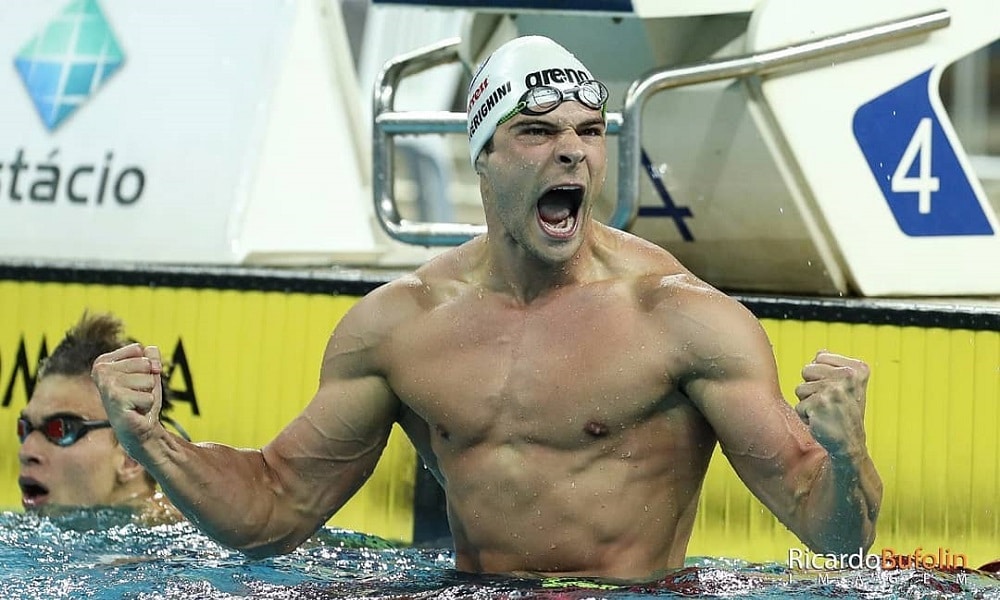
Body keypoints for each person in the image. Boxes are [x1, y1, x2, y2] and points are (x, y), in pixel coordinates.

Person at [91, 35, 881, 581]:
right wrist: (153, 440)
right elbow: (272, 511)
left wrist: (845, 462)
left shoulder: (680, 321)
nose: (572, 150)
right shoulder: (400, 327)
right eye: (537, 132)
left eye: (588, 131)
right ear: (484, 159)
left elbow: (832, 535)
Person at [18, 311, 186, 524]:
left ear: (131, 458)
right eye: (24, 428)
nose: (26, 452)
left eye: (61, 429)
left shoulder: (186, 544)